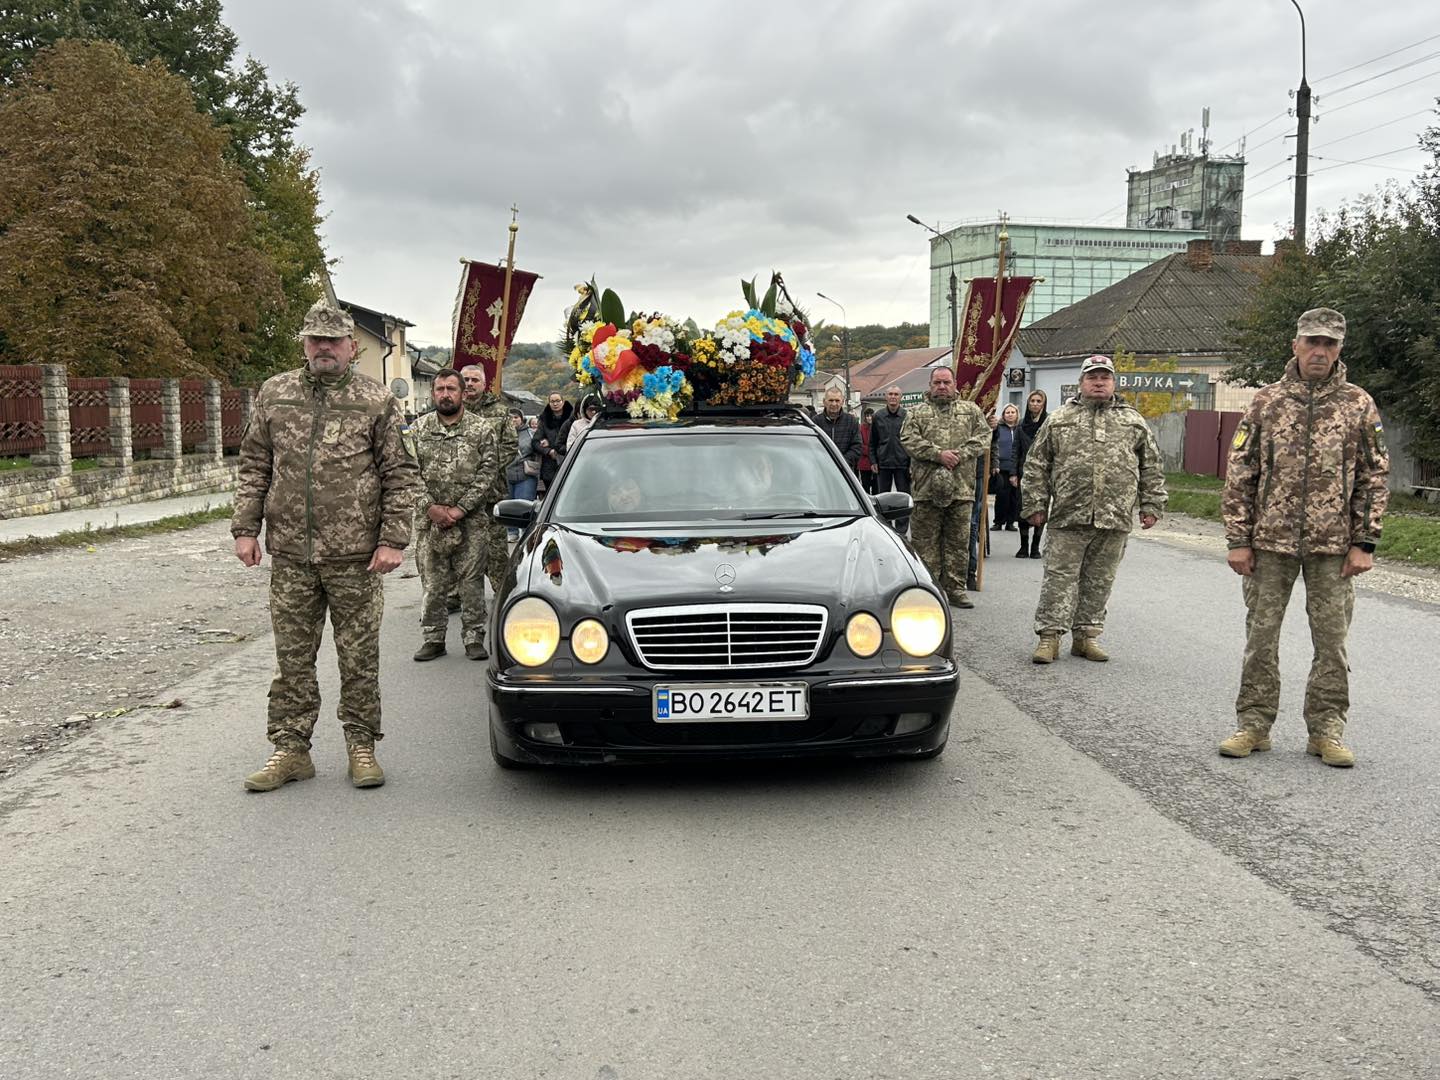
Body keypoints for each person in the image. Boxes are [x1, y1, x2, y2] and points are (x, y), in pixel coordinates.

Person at [231, 300, 420, 792]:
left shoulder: (375, 400)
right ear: (305, 344)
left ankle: (361, 746)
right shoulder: (275, 394)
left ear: (351, 347)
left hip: (357, 558)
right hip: (292, 554)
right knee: (293, 659)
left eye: (333, 341)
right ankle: (290, 750)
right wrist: (245, 529)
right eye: (315, 340)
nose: (324, 349)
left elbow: (399, 474)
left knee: (358, 658)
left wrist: (393, 539)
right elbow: (255, 465)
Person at [1217, 308, 1388, 768]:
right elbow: (1241, 472)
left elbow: (1374, 476)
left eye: (1329, 344)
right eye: (1312, 341)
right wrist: (1238, 537)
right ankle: (1253, 724)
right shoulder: (1266, 402)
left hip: (1333, 548)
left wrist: (1364, 542)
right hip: (1269, 543)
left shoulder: (1357, 403)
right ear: (1295, 345)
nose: (1320, 351)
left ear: (1339, 350)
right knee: (1261, 639)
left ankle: (1327, 730)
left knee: (1331, 643)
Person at [1022, 355, 1167, 664]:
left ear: (1113, 382)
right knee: (1059, 579)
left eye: (1105, 377)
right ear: (1082, 383)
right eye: (1093, 377)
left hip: (1113, 516)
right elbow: (1036, 464)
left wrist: (1151, 503)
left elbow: (1151, 465)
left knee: (1099, 580)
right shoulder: (1060, 418)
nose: (1099, 382)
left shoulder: (1133, 420)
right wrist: (1035, 504)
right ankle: (1049, 637)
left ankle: (1086, 636)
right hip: (1068, 515)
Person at [409, 369, 497, 663]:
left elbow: (487, 475)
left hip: (470, 521)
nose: (445, 394)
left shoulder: (482, 429)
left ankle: (474, 637)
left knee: (471, 581)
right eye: (439, 389)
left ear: (462, 393)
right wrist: (431, 508)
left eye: (451, 389)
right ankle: (433, 638)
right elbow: (408, 474)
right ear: (433, 393)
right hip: (429, 523)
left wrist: (460, 509)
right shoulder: (418, 430)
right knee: (433, 583)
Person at [899, 366, 992, 609]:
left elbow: (984, 437)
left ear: (954, 384)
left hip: (961, 490)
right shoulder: (917, 413)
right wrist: (937, 455)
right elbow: (908, 440)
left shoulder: (970, 411)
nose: (942, 387)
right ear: (930, 386)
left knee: (958, 543)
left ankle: (956, 589)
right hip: (925, 491)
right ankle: (930, 589)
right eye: (937, 382)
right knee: (925, 544)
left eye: (946, 382)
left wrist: (959, 455)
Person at [871, 385, 911, 532]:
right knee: (882, 499)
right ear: (886, 397)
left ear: (900, 397)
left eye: (896, 394)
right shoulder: (878, 416)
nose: (893, 397)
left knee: (904, 498)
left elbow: (912, 441)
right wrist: (873, 460)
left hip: (903, 464)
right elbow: (872, 441)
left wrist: (911, 463)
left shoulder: (907, 416)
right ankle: (886, 529)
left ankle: (902, 531)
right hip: (884, 463)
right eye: (890, 394)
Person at [1017, 390, 1048, 559]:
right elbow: (1016, 449)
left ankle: (1035, 547)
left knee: (1040, 510)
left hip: (1043, 474)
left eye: (1038, 401)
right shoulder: (1021, 424)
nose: (1035, 404)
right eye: (1032, 401)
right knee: (1023, 510)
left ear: (1043, 404)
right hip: (1024, 473)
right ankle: (1023, 546)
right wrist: (1014, 473)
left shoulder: (1048, 423)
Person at [991, 404, 1024, 539]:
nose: (1010, 414)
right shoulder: (998, 428)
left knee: (1014, 496)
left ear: (1017, 414)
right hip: (1001, 466)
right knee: (1002, 495)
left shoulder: (1020, 429)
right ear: (1003, 415)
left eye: (1013, 412)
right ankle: (998, 521)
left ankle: (1011, 522)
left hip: (1015, 466)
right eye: (1007, 412)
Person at [535, 392, 574, 492]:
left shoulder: (572, 419)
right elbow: (535, 442)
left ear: (563, 402)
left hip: (569, 459)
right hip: (550, 465)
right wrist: (548, 451)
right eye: (552, 401)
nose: (555, 404)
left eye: (557, 401)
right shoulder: (544, 420)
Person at [814, 387, 861, 469]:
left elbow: (857, 447)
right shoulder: (815, 422)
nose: (834, 404)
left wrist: (842, 462)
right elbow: (812, 446)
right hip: (821, 469)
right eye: (831, 400)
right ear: (824, 402)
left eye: (837, 400)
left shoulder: (851, 421)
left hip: (844, 471)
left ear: (842, 402)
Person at [858, 408, 878, 494]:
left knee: (876, 487)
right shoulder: (861, 428)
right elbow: (859, 445)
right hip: (864, 463)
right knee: (865, 486)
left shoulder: (878, 427)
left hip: (877, 462)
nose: (869, 418)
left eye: (871, 416)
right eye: (867, 416)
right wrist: (871, 451)